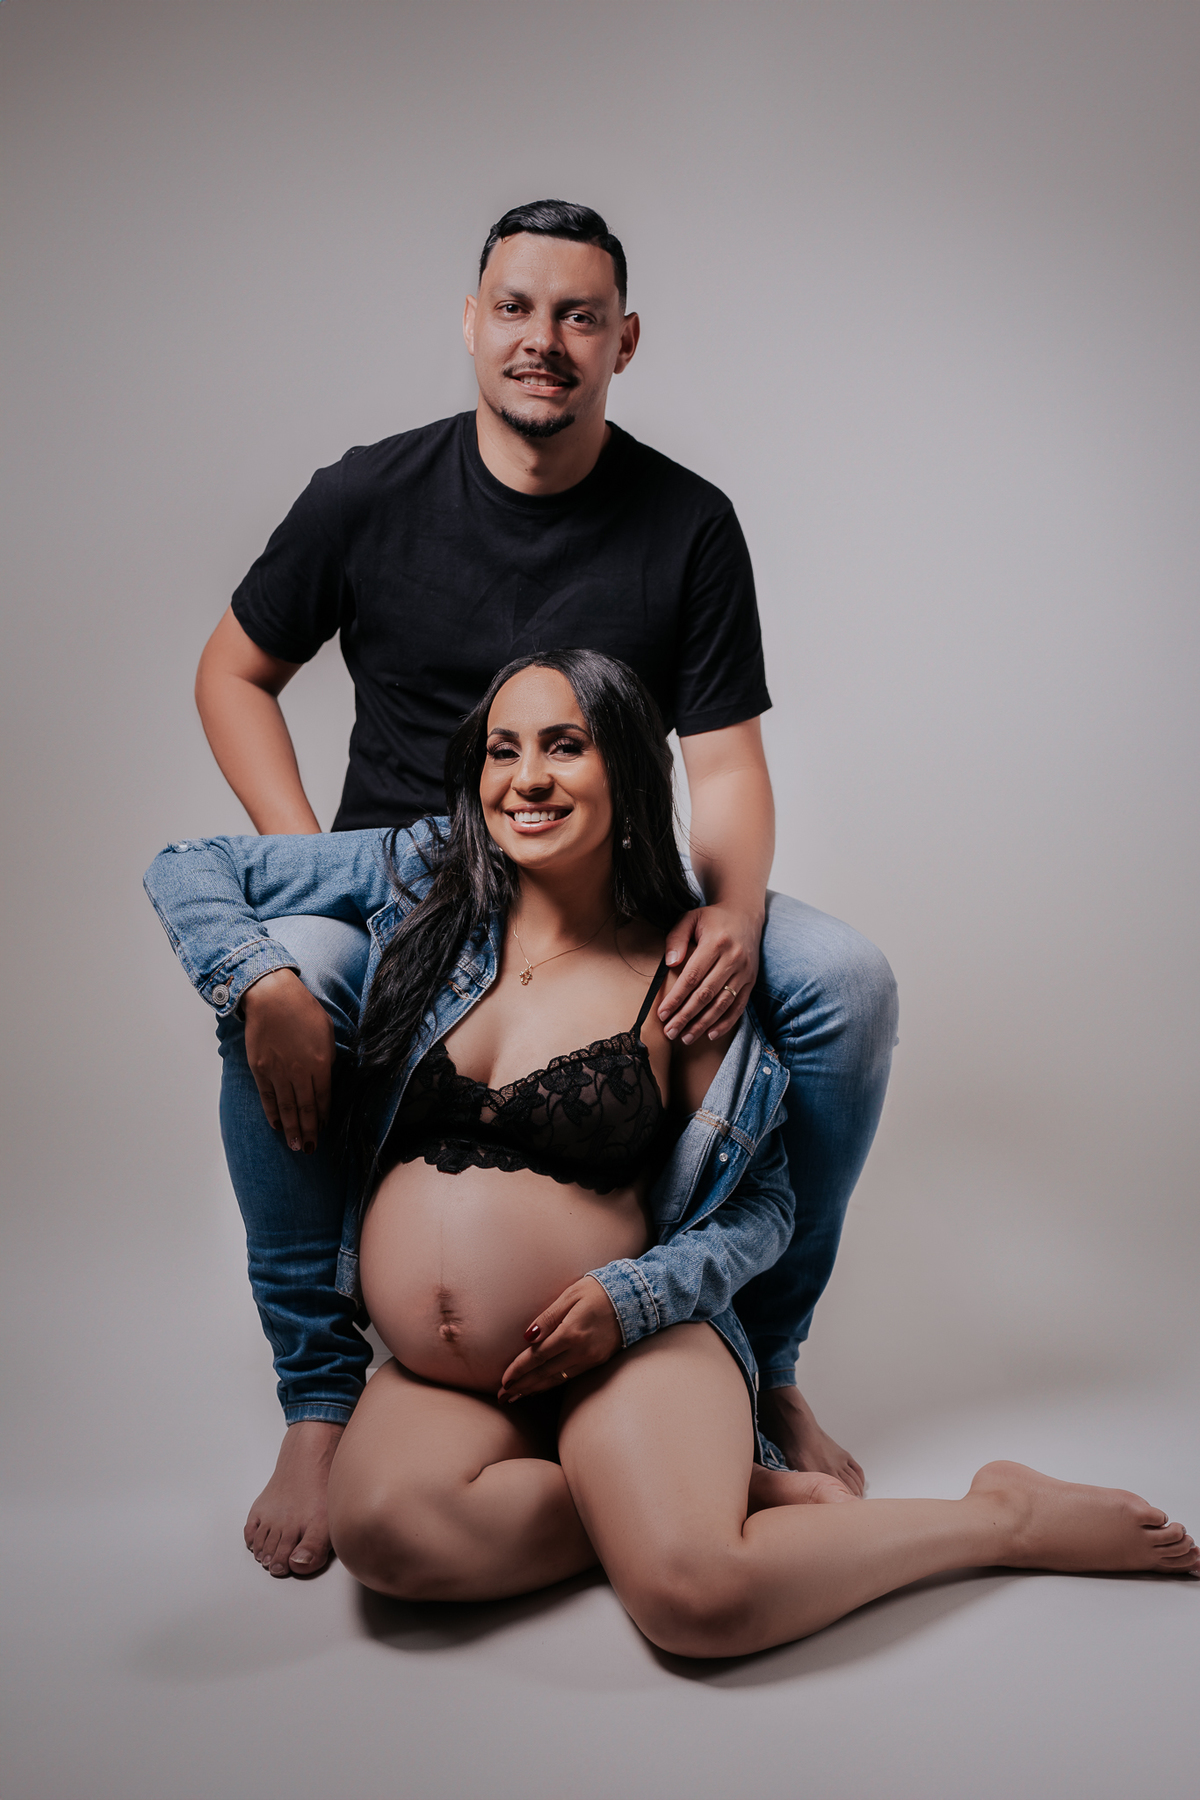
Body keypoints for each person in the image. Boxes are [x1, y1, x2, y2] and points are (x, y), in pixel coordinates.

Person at [145, 652, 1197, 1652]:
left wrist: (631, 1300)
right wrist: (262, 980)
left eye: (565, 746)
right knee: (387, 1536)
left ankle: (1002, 1516)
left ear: (629, 771)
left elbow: (763, 1208)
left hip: (634, 1348)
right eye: (503, 750)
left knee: (697, 1599)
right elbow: (192, 868)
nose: (526, 778)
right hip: (450, 1380)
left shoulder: (686, 966)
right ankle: (705, 1492)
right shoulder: (421, 882)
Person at [190, 198, 898, 1578]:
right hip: (413, 886)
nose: (544, 340)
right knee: (281, 976)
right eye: (516, 307)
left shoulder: (688, 522)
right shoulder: (367, 494)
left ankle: (763, 1366)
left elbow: (727, 763)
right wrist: (310, 875)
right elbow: (233, 671)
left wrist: (731, 915)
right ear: (471, 323)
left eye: (580, 316)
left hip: (607, 885)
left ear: (624, 341)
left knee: (845, 982)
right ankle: (321, 1399)